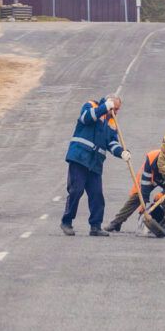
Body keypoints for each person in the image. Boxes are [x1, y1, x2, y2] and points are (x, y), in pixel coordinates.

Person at [60, 95, 131, 236]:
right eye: (115, 109)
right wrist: (104, 108)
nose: (116, 112)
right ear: (109, 104)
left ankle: (95, 226)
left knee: (97, 194)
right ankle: (66, 222)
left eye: (118, 110)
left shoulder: (112, 122)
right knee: (76, 190)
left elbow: (112, 143)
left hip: (95, 163)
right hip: (80, 158)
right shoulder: (91, 106)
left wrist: (122, 152)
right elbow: (86, 118)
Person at [104, 149, 165, 234]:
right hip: (151, 174)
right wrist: (143, 203)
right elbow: (145, 185)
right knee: (137, 195)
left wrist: (163, 193)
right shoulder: (151, 158)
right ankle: (116, 222)